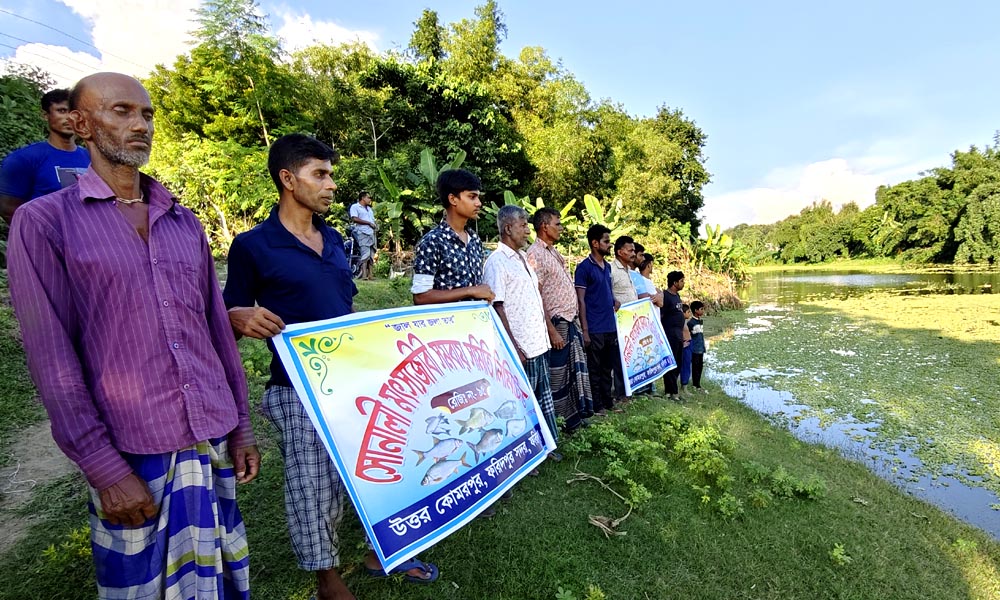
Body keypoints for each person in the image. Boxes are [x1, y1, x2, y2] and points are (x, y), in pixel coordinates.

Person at [7, 72, 259, 599]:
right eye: (122, 111)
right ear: (79, 123)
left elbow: (215, 328)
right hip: (132, 446)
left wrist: (240, 428)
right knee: (140, 587)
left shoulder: (183, 221)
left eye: (146, 114)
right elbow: (51, 356)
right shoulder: (45, 222)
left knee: (222, 580)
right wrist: (101, 466)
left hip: (208, 432)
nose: (140, 124)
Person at [224, 134, 438, 600]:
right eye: (320, 174)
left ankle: (381, 551)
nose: (331, 185)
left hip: (355, 382)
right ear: (287, 179)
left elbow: (343, 305)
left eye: (331, 174)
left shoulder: (336, 238)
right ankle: (327, 578)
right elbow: (229, 319)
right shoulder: (252, 246)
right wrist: (237, 317)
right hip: (298, 387)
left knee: (375, 469)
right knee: (313, 484)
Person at [483, 205, 559, 449]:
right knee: (520, 404)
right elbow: (497, 307)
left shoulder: (524, 259)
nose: (528, 230)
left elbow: (534, 298)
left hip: (538, 343)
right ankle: (524, 452)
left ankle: (546, 446)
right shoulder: (496, 262)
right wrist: (514, 347)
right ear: (508, 228)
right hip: (522, 347)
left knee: (541, 400)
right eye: (523, 225)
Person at [527, 207, 592, 428]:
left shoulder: (553, 252)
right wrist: (552, 330)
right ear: (545, 226)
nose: (561, 228)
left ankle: (574, 418)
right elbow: (535, 296)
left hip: (568, 320)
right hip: (556, 324)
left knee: (571, 373)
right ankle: (559, 423)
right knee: (557, 377)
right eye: (558, 224)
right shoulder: (535, 255)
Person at [0, 88, 91, 223]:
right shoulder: (23, 159)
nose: (69, 118)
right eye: (61, 111)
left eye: (74, 112)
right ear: (45, 115)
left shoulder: (91, 157)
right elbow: (8, 210)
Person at [411, 168, 494, 305]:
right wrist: (470, 291)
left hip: (475, 323)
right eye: (472, 197)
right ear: (453, 199)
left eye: (478, 197)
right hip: (446, 324)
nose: (478, 203)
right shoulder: (432, 241)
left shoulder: (474, 240)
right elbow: (420, 297)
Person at [575, 224, 621, 415]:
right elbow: (581, 300)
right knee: (594, 368)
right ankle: (597, 406)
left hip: (610, 325)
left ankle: (608, 402)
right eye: (606, 241)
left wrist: (614, 299)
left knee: (607, 367)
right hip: (594, 327)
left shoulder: (607, 267)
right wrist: (585, 330)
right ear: (595, 243)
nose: (609, 245)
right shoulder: (584, 268)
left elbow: (606, 290)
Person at [660, 270, 687, 401]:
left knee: (678, 363)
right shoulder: (665, 296)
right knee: (671, 363)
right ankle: (672, 392)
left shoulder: (677, 297)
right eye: (681, 281)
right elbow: (661, 315)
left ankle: (670, 390)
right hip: (670, 334)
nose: (683, 283)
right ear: (674, 282)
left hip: (678, 335)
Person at [349, 190, 377, 279]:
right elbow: (355, 219)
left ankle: (370, 275)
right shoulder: (355, 207)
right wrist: (368, 223)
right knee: (365, 254)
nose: (370, 199)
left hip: (372, 233)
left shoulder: (369, 209)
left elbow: (372, 220)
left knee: (372, 254)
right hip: (363, 232)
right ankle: (364, 275)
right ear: (363, 198)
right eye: (368, 197)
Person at [689, 300, 708, 393]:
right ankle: (695, 384)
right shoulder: (691, 323)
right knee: (695, 367)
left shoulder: (701, 321)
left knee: (700, 366)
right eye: (701, 309)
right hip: (694, 349)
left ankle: (698, 384)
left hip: (701, 348)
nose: (702, 311)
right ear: (696, 310)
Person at [679, 303, 694, 397]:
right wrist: (682, 343)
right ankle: (684, 387)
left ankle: (684, 386)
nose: (690, 314)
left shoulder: (685, 322)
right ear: (683, 313)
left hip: (689, 343)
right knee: (685, 366)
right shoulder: (680, 323)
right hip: (685, 345)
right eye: (688, 312)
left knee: (688, 365)